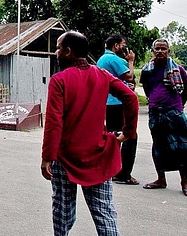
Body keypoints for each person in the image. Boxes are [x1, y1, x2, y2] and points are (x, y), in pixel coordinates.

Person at [41, 31, 138, 236]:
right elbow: (131, 97)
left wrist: (47, 156)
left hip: (64, 157)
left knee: (63, 210)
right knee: (104, 213)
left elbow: (54, 121)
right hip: (97, 154)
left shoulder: (59, 80)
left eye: (58, 48)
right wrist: (128, 132)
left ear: (68, 51)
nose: (56, 52)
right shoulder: (101, 74)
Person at [139, 38, 187, 198]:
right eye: (157, 49)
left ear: (168, 51)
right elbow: (147, 89)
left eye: (163, 49)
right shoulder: (147, 70)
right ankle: (161, 179)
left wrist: (178, 107)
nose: (159, 51)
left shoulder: (178, 70)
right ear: (153, 51)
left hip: (174, 112)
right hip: (156, 112)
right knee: (159, 146)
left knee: (183, 146)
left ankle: (184, 183)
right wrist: (154, 102)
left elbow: (184, 92)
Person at [96, 34, 139, 185]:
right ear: (116, 45)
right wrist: (131, 61)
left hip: (108, 102)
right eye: (123, 44)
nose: (125, 48)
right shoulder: (113, 59)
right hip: (117, 102)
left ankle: (111, 169)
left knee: (114, 135)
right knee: (129, 135)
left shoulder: (102, 59)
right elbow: (130, 77)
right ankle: (123, 173)